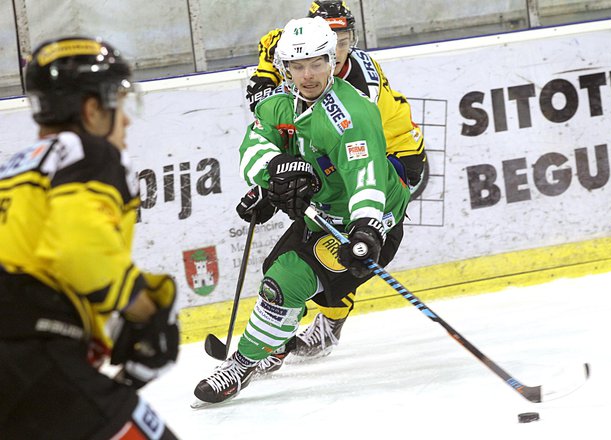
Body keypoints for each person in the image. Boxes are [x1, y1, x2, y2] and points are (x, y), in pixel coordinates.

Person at [194, 16, 410, 404]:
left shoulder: (352, 116)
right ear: (285, 68)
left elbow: (366, 180)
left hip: (366, 224)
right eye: (297, 66)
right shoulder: (282, 105)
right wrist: (271, 179)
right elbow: (255, 145)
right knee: (273, 278)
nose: (307, 75)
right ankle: (272, 346)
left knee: (285, 284)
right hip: (321, 214)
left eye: (316, 64)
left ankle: (244, 364)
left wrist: (366, 227)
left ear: (331, 61)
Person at [0, 37, 180, 439]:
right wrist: (145, 312)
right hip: (33, 360)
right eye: (118, 101)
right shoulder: (89, 152)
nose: (127, 119)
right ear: (93, 109)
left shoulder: (13, 169)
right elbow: (80, 249)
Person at [243, 0, 427, 363]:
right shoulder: (289, 46)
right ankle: (287, 319)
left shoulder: (357, 88)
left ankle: (330, 321)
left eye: (346, 40)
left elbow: (350, 160)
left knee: (343, 238)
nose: (341, 51)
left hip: (394, 156)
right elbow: (267, 105)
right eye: (334, 39)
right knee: (310, 238)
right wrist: (272, 178)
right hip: (336, 155)